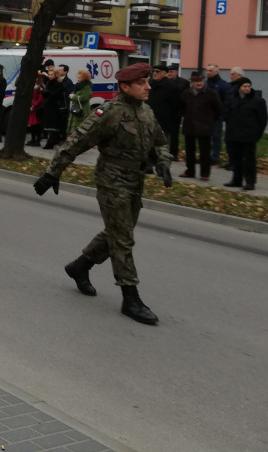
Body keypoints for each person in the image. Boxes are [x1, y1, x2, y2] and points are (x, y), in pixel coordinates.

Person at [33, 63, 171, 326]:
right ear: (125, 87)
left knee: (118, 231)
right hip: (112, 179)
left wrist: (162, 161)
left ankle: (80, 266)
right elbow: (77, 140)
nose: (148, 87)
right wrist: (52, 173)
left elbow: (161, 143)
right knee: (123, 238)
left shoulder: (146, 112)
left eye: (147, 82)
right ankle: (130, 297)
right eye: (142, 83)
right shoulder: (108, 112)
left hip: (135, 180)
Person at [223, 77, 268, 191]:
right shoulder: (232, 98)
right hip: (233, 135)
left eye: (249, 86)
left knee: (249, 160)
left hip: (249, 136)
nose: (247, 88)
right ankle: (236, 180)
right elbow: (226, 114)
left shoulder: (257, 101)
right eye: (244, 86)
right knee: (235, 159)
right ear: (239, 88)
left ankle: (250, 182)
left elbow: (263, 119)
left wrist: (257, 134)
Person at [178, 71, 222, 181]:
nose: (199, 83)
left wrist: (210, 120)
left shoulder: (211, 93)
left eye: (200, 81)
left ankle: (205, 173)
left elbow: (219, 110)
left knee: (205, 152)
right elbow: (181, 107)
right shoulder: (186, 93)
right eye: (196, 81)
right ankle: (190, 171)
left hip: (205, 127)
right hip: (190, 126)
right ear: (191, 83)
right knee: (189, 151)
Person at [149, 63, 182, 159]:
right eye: (154, 71)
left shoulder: (171, 87)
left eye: (157, 72)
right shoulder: (151, 85)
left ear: (164, 73)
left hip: (164, 122)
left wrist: (170, 121)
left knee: (162, 147)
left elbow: (176, 106)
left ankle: (163, 166)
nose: (155, 73)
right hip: (150, 120)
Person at [204, 64, 228, 164]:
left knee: (216, 136)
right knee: (205, 136)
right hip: (205, 115)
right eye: (207, 70)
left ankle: (215, 157)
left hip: (216, 116)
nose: (208, 72)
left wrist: (222, 114)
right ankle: (205, 155)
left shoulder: (223, 85)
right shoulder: (204, 83)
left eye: (210, 71)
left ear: (216, 72)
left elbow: (226, 101)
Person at [40, 66, 65, 149]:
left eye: (51, 74)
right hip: (48, 105)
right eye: (49, 74)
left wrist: (46, 92)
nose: (50, 76)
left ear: (56, 75)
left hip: (54, 107)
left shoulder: (58, 83)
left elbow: (54, 94)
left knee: (53, 125)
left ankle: (51, 142)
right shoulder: (48, 82)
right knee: (49, 125)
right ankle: (52, 140)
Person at [66, 68, 92, 136]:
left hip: (82, 110)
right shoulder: (79, 85)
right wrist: (72, 95)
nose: (77, 78)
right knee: (75, 127)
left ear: (84, 77)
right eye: (77, 77)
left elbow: (85, 97)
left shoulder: (87, 86)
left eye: (79, 77)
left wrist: (73, 97)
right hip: (76, 108)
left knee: (80, 127)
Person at [27, 73, 46, 146]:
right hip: (33, 107)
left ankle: (37, 140)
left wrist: (33, 105)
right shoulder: (34, 85)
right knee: (33, 125)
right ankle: (33, 139)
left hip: (38, 108)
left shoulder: (41, 86)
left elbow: (41, 99)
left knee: (37, 125)